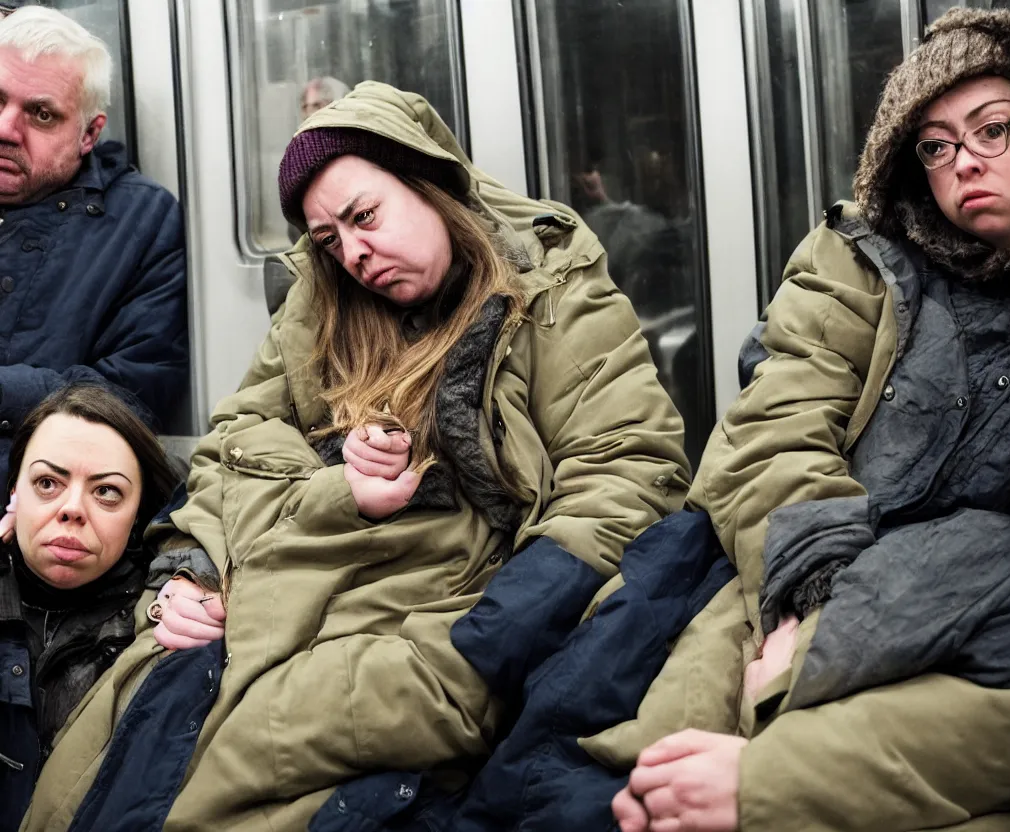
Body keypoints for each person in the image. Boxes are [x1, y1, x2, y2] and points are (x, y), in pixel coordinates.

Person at [20, 80, 690, 831]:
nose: (357, 255)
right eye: (331, 240)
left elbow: (628, 466)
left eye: (365, 216)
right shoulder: (321, 305)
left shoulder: (553, 290)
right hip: (297, 573)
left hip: (453, 607)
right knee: (136, 721)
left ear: (427, 181)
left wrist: (498, 632)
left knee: (233, 750)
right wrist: (191, 565)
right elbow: (236, 438)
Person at [605, 8, 1010, 832]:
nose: (965, 160)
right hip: (807, 578)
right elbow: (773, 431)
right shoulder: (865, 260)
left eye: (993, 129)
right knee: (638, 782)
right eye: (936, 146)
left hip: (982, 633)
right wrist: (815, 590)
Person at [0, 4, 188, 485]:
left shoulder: (142, 223)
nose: (6, 129)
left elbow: (132, 396)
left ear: (89, 134)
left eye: (41, 114)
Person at [0, 384, 184, 832]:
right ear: (14, 496)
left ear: (139, 515)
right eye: (47, 483)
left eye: (106, 493)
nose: (71, 509)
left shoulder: (167, 629)